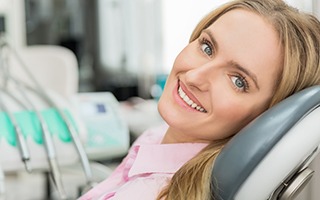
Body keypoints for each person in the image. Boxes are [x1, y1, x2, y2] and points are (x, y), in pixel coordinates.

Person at [80, 0, 320, 199]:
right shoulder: (157, 137)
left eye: (238, 81)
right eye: (207, 47)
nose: (194, 76)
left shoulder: (151, 193)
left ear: (266, 118)